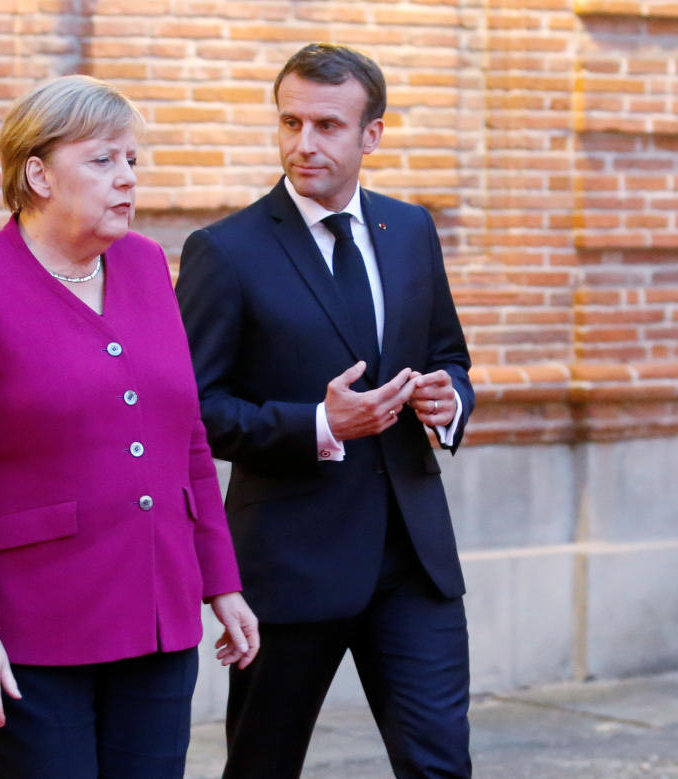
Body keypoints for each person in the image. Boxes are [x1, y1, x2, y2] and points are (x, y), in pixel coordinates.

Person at [0, 74, 259, 779]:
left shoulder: (145, 265)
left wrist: (221, 581)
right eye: (102, 160)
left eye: (131, 160)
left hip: (155, 615)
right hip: (28, 627)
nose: (126, 178)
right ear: (37, 173)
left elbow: (184, 437)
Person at [176, 43, 474, 778]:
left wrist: (448, 399)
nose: (302, 143)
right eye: (289, 121)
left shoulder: (409, 229)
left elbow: (450, 357)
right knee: (262, 766)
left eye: (327, 126)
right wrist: (317, 424)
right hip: (290, 562)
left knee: (441, 766)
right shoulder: (225, 250)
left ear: (371, 132)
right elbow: (192, 411)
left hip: (413, 559)